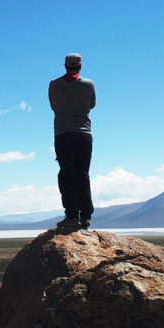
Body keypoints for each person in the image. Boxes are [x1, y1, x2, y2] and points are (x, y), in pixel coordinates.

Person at [49, 53, 96, 230]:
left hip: (62, 134)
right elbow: (92, 104)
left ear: (65, 65)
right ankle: (85, 216)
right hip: (84, 133)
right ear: (81, 66)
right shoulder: (88, 84)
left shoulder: (54, 85)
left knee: (67, 173)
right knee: (82, 173)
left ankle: (71, 215)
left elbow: (53, 105)